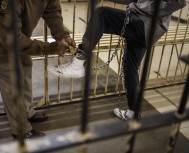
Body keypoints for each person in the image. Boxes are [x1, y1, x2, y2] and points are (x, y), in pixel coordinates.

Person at [48, 0, 186, 120]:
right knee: (130, 68)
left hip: (144, 23)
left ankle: (78, 63)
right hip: (145, 27)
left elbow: (179, 2)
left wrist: (145, 8)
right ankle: (133, 111)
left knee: (102, 14)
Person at [0, 0, 76, 138]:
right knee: (11, 77)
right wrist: (49, 48)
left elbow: (51, 10)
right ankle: (20, 128)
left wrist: (62, 35)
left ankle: (26, 111)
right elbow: (11, 39)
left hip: (16, 29)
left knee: (25, 65)